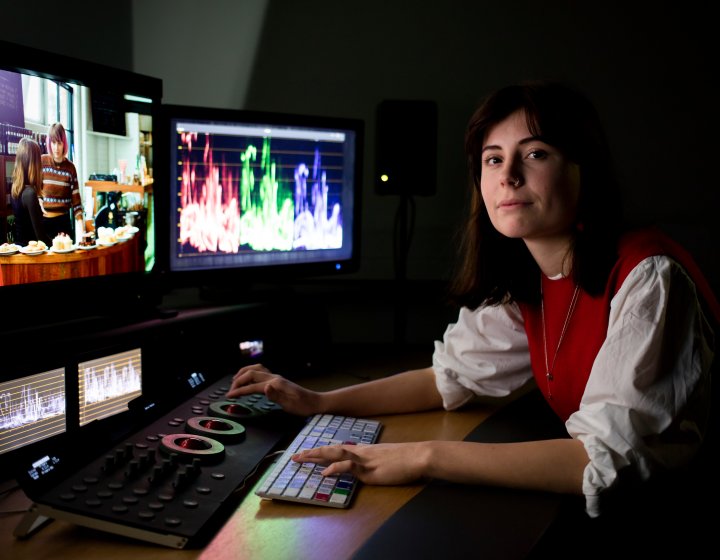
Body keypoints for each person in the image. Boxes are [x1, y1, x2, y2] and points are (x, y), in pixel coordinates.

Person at [227, 82, 717, 522]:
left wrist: (423, 456)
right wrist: (319, 402)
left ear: (581, 167)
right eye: (493, 158)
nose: (509, 176)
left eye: (536, 154)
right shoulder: (531, 277)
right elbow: (450, 378)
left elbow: (602, 461)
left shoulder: (649, 276)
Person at [41, 122, 84, 241]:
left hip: (63, 224)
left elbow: (76, 201)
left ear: (64, 143)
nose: (56, 147)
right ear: (49, 143)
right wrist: (39, 199)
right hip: (44, 224)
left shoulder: (70, 168)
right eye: (53, 143)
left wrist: (81, 228)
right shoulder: (42, 162)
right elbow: (35, 188)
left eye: (59, 143)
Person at [10, 137, 50, 246]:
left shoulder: (15, 188)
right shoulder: (30, 194)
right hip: (31, 256)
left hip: (20, 251)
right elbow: (41, 238)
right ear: (34, 163)